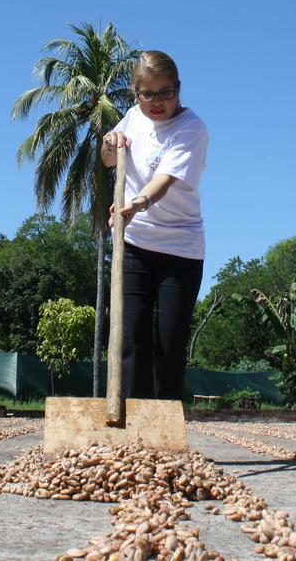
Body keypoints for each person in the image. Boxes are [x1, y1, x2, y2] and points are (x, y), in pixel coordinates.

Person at [102, 50, 207, 401]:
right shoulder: (132, 118)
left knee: (169, 344)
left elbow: (164, 180)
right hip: (134, 244)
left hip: (181, 249)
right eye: (149, 94)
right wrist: (109, 141)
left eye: (166, 92)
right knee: (131, 339)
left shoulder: (191, 127)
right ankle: (131, 426)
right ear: (136, 92)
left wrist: (138, 203)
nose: (158, 102)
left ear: (178, 89)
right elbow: (106, 159)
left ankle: (165, 428)